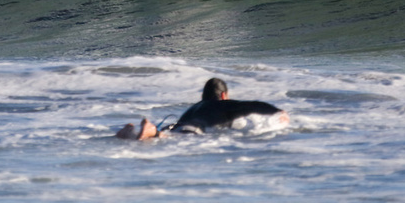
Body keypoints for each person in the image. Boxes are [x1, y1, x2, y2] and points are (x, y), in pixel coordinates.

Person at [115, 77, 288, 140]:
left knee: (167, 134)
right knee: (163, 137)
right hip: (192, 130)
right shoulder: (222, 106)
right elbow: (253, 105)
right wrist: (277, 111)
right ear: (223, 96)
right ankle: (151, 130)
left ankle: (133, 131)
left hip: (178, 125)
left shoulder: (196, 107)